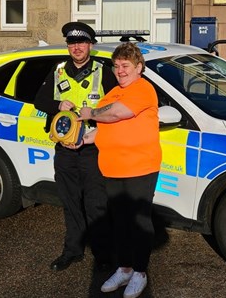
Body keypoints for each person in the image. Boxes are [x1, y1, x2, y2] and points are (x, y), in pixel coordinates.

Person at [78, 42, 161, 298]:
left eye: (125, 66)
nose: (120, 71)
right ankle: (124, 268)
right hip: (112, 168)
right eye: (116, 66)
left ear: (139, 67)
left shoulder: (143, 88)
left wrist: (90, 112)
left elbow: (117, 114)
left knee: (139, 222)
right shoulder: (112, 92)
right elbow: (104, 125)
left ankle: (140, 272)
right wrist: (83, 137)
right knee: (121, 223)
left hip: (140, 167)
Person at [34, 21, 117, 272]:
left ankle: (103, 255)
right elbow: (39, 100)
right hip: (65, 150)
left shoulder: (104, 71)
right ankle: (72, 251)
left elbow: (116, 107)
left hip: (92, 149)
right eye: (72, 43)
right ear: (68, 46)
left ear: (90, 45)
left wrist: (97, 114)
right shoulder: (58, 70)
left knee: (96, 204)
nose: (77, 47)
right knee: (70, 203)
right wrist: (57, 105)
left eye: (81, 42)